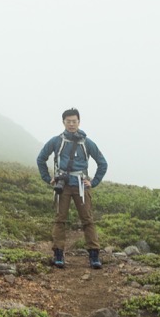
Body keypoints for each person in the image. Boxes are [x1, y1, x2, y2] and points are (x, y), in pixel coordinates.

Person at [36, 107, 108, 269]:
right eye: (68, 121)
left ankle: (94, 255)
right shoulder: (56, 141)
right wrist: (48, 179)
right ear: (63, 122)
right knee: (60, 220)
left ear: (79, 122)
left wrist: (93, 182)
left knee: (88, 220)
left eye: (74, 121)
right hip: (63, 186)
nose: (71, 124)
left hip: (82, 186)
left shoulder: (87, 143)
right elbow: (41, 159)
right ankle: (58, 254)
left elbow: (103, 163)